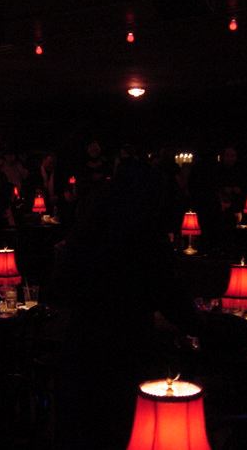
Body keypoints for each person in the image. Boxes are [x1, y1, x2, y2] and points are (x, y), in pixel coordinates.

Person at [53, 156, 198, 449]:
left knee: (84, 429)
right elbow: (171, 297)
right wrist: (204, 325)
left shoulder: (89, 229)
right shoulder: (146, 237)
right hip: (125, 347)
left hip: (81, 343)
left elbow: (61, 286)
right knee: (120, 426)